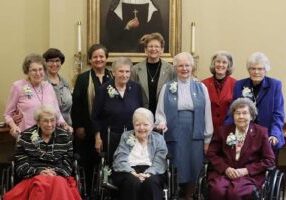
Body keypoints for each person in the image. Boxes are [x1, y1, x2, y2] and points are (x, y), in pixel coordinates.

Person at [155, 52, 213, 199]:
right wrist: (161, 123)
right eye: (180, 65)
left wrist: (207, 138)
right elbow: (160, 112)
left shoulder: (201, 87)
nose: (184, 68)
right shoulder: (167, 87)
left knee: (194, 164)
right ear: (175, 68)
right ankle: (175, 193)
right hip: (174, 130)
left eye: (187, 65)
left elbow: (207, 113)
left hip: (195, 131)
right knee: (176, 162)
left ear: (192, 67)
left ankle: (190, 195)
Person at [3, 105, 81, 200]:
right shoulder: (26, 137)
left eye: (52, 120)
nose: (49, 124)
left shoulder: (64, 137)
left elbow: (68, 164)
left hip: (59, 176)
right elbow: (21, 166)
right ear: (38, 122)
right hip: (33, 177)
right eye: (45, 121)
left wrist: (55, 173)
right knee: (40, 184)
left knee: (58, 183)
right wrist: (39, 172)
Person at [207, 98, 275, 200]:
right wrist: (226, 168)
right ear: (233, 116)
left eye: (245, 113)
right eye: (237, 113)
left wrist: (246, 170)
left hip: (248, 176)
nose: (241, 116)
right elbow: (211, 153)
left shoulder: (261, 132)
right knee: (217, 190)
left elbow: (269, 160)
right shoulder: (222, 131)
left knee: (236, 193)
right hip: (224, 173)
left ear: (251, 116)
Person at [71, 43, 113, 196]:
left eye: (101, 56)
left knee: (108, 163)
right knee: (88, 163)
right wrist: (79, 126)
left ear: (106, 58)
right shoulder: (83, 78)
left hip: (108, 128)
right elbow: (77, 104)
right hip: (87, 129)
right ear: (90, 59)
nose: (98, 59)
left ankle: (106, 193)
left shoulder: (113, 76)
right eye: (95, 56)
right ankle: (88, 193)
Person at [225, 52, 285, 151]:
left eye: (260, 69)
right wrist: (227, 132)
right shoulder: (239, 85)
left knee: (267, 164)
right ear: (248, 70)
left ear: (266, 70)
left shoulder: (274, 85)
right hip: (245, 137)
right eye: (253, 68)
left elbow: (278, 114)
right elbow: (233, 111)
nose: (256, 72)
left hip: (268, 136)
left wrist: (275, 134)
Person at [4, 53, 70, 138]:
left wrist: (64, 124)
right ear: (27, 71)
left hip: (49, 136)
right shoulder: (18, 86)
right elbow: (7, 114)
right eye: (34, 70)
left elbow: (56, 111)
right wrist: (14, 126)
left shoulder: (48, 86)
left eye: (40, 69)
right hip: (27, 136)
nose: (38, 73)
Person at [92, 57, 143, 164]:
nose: (124, 75)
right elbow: (95, 116)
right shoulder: (103, 90)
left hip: (131, 135)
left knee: (130, 164)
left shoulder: (136, 88)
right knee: (111, 165)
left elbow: (141, 113)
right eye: (121, 71)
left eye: (127, 71)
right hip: (110, 136)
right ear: (114, 72)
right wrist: (97, 138)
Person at [112, 107, 168, 200]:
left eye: (145, 124)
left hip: (152, 171)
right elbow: (120, 158)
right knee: (132, 182)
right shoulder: (126, 136)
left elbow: (160, 160)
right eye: (138, 124)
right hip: (129, 171)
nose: (141, 128)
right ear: (133, 125)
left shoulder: (158, 139)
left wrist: (148, 173)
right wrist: (133, 173)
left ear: (152, 125)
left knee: (151, 183)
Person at [131, 32, 174, 114]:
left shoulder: (170, 69)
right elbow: (132, 94)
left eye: (157, 46)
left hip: (164, 114)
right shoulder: (135, 69)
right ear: (145, 50)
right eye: (150, 46)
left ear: (162, 50)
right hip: (142, 115)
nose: (153, 49)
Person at [202, 51, 236, 130]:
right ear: (214, 64)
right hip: (208, 129)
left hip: (228, 130)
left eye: (224, 62)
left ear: (228, 65)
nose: (220, 65)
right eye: (218, 62)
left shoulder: (236, 84)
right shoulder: (203, 84)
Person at [43, 48, 73, 125]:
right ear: (45, 62)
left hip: (66, 128)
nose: (54, 64)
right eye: (51, 61)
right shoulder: (41, 83)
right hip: (47, 127)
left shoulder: (65, 83)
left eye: (57, 61)